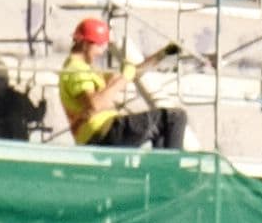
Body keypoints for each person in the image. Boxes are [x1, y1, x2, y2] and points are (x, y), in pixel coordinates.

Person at [54, 15, 185, 150]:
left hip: (100, 133)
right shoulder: (76, 69)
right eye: (100, 46)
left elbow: (134, 72)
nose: (102, 51)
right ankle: (171, 162)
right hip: (103, 131)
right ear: (85, 43)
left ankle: (161, 162)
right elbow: (94, 104)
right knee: (175, 117)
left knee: (163, 130)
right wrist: (124, 78)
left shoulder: (82, 69)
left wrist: (164, 53)